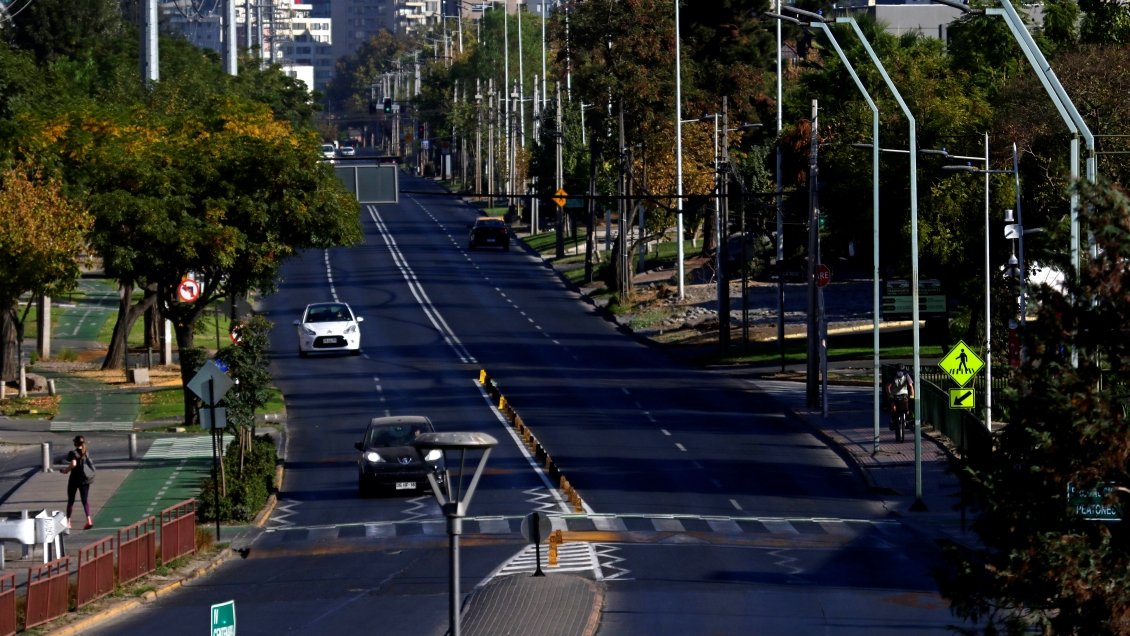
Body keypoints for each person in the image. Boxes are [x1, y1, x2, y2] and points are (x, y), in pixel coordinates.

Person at [61, 435, 95, 530]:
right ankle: (89, 520)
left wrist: (66, 470)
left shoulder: (72, 453)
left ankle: (68, 522)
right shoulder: (86, 452)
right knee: (85, 501)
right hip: (85, 479)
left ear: (75, 443)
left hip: (74, 479)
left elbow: (74, 464)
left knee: (71, 500)